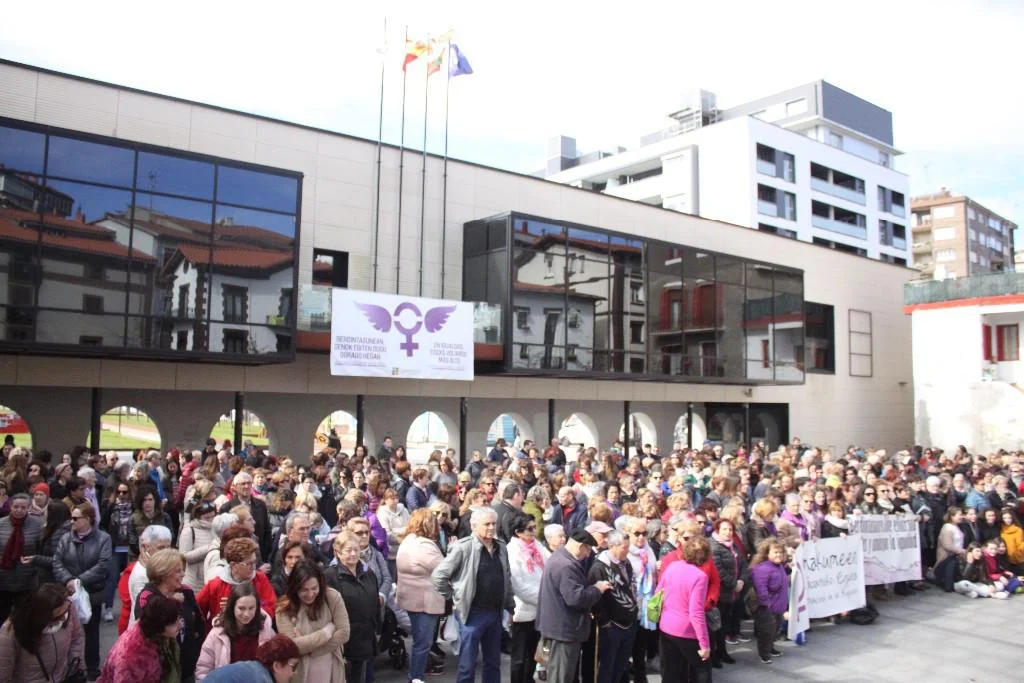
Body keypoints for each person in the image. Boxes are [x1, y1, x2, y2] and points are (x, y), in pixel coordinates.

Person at [431, 507, 515, 683]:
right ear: (474, 526)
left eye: (494, 524)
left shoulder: (501, 547)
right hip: (472, 614)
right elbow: (439, 576)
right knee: (467, 665)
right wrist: (455, 597)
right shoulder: (463, 547)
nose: (491, 527)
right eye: (487, 524)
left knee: (493, 663)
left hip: (495, 613)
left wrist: (510, 607)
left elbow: (506, 578)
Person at [535, 528, 609, 683]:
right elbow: (576, 598)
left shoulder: (559, 558)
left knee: (558, 674)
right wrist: (597, 589)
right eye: (588, 550)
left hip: (555, 629)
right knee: (561, 677)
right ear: (580, 546)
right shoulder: (566, 566)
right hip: (563, 632)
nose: (588, 555)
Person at [52, 502, 110, 680]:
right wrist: (68, 580)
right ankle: (68, 667)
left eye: (76, 518)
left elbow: (103, 564)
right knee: (66, 630)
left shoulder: (103, 538)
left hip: (92, 590)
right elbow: (57, 561)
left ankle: (92, 667)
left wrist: (80, 581)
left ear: (88, 519)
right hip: (68, 592)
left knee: (92, 631)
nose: (72, 521)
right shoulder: (65, 538)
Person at [133, 548, 206, 681]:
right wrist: (172, 603)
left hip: (188, 668)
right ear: (163, 573)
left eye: (182, 570)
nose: (183, 574)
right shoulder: (147, 597)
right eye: (178, 571)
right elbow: (149, 629)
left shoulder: (186, 592)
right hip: (159, 670)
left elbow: (199, 626)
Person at [275, 560, 350, 683]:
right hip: (301, 674)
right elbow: (292, 646)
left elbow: (344, 633)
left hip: (331, 670)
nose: (310, 594)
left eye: (314, 588)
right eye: (304, 590)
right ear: (295, 587)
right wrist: (327, 632)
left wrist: (310, 648)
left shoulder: (332, 597)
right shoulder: (284, 608)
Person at [396, 508, 446, 681]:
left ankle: (417, 674)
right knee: (422, 643)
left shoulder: (408, 540)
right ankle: (415, 677)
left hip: (411, 597)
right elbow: (444, 569)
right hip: (424, 601)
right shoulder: (424, 545)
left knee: (419, 641)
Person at [0, 582, 83, 683]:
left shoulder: (68, 609)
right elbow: (3, 674)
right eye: (58, 616)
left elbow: (76, 639)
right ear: (43, 616)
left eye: (65, 612)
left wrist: (73, 667)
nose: (63, 618)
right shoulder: (11, 632)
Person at [325, 531, 381, 683]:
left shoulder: (368, 573)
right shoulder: (330, 576)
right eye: (348, 550)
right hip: (346, 640)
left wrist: (377, 626)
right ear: (338, 552)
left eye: (356, 549)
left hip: (366, 637)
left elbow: (375, 601)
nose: (353, 554)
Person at [655, 536, 711, 680]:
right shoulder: (700, 576)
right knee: (702, 668)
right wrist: (704, 644)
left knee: (671, 671)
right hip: (686, 631)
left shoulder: (673, 566)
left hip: (666, 626)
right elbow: (696, 612)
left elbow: (658, 593)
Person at [195, 583, 276, 681]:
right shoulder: (217, 634)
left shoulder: (266, 631)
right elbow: (203, 669)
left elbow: (275, 667)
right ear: (232, 607)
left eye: (251, 608)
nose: (246, 614)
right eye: (241, 608)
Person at [588, 531, 638, 683]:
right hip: (612, 626)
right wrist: (604, 621)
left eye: (628, 546)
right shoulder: (599, 567)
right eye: (624, 547)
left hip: (629, 623)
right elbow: (595, 599)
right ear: (612, 546)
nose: (627, 551)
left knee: (621, 666)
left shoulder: (626, 563)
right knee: (607, 667)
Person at [97, 593, 182, 683]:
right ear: (160, 625)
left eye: (178, 619)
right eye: (174, 623)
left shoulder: (155, 634)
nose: (180, 625)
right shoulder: (131, 655)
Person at [506, 512, 550, 683]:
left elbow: (550, 565)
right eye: (530, 529)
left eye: (535, 527)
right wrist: (543, 599)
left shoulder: (537, 545)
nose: (534, 531)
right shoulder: (512, 551)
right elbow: (517, 586)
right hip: (523, 611)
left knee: (533, 654)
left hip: (539, 610)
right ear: (518, 532)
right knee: (519, 657)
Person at [197, 537, 276, 629]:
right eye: (249, 564)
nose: (253, 567)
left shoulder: (260, 579)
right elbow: (197, 610)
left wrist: (251, 608)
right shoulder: (216, 585)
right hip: (224, 633)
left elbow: (272, 606)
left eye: (255, 562)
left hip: (255, 632)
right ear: (233, 565)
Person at [0, 493, 42, 625]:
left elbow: (41, 550)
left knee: (24, 619)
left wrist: (35, 561)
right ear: (10, 507)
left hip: (27, 579)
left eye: (23, 507)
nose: (19, 510)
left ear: (28, 508)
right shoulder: (1, 524)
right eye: (16, 507)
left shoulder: (37, 525)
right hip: (4, 579)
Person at [202, 634, 301, 683]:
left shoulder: (251, 668)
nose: (294, 673)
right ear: (277, 665)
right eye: (293, 666)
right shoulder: (260, 679)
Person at [750, 539, 789, 664]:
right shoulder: (762, 569)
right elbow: (761, 589)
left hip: (778, 606)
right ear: (767, 553)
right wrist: (767, 604)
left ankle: (770, 648)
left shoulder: (780, 566)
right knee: (766, 631)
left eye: (781, 552)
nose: (779, 555)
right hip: (766, 607)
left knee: (775, 629)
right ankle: (764, 654)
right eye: (775, 552)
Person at [220, 472, 273, 562]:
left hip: (260, 554)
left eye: (249, 483)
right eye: (243, 484)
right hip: (237, 555)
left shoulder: (260, 505)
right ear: (235, 487)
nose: (246, 486)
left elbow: (267, 530)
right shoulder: (227, 507)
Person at [128, 525, 173, 622]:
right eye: (161, 548)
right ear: (147, 547)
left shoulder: (161, 566)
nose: (166, 552)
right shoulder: (141, 574)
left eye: (168, 547)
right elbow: (147, 610)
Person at [180, 501, 218, 590]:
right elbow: (183, 557)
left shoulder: (216, 529)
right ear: (197, 516)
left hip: (211, 577)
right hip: (194, 581)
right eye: (207, 518)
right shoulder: (189, 531)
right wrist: (209, 548)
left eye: (213, 516)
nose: (211, 520)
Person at [31, 500, 70, 585]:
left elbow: (58, 560)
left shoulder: (60, 534)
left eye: (46, 511)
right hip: (47, 576)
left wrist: (35, 559)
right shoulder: (50, 529)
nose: (44, 513)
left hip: (54, 579)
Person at [934, 507, 967, 592]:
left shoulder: (956, 526)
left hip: (957, 556)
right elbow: (947, 545)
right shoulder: (947, 528)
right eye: (959, 515)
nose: (961, 517)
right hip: (948, 557)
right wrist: (961, 551)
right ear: (952, 516)